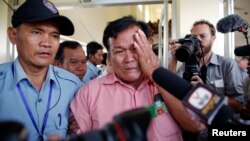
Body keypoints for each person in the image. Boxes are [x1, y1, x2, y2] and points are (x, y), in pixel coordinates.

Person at [70, 16, 208, 141]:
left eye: (135, 48)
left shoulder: (172, 84)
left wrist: (156, 74)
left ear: (148, 48)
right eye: (119, 51)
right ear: (109, 60)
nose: (129, 59)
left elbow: (195, 125)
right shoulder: (88, 93)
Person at [0, 0, 82, 140]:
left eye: (54, 36)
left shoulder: (73, 86)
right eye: (37, 32)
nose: (46, 43)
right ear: (13, 35)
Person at [169, 20, 244, 112]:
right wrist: (174, 59)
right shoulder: (186, 66)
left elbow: (238, 104)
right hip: (193, 123)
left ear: (213, 38)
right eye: (194, 38)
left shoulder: (227, 64)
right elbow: (170, 90)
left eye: (203, 36)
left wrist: (206, 93)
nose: (198, 40)